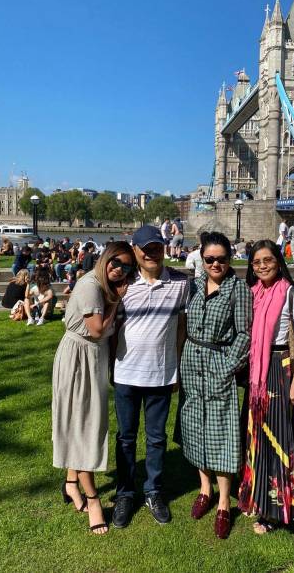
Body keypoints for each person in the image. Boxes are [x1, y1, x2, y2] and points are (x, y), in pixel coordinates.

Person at [52, 242, 135, 535]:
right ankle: (93, 499)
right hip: (79, 357)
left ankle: (71, 482)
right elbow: (98, 329)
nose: (119, 269)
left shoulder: (104, 286)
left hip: (93, 357)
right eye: (116, 262)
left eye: (126, 266)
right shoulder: (90, 286)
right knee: (84, 427)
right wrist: (116, 301)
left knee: (84, 422)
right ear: (105, 258)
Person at [111, 225, 189, 529]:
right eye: (144, 249)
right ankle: (125, 493)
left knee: (156, 439)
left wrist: (177, 365)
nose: (150, 253)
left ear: (164, 248)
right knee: (125, 438)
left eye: (156, 247)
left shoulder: (180, 283)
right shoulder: (124, 284)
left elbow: (181, 327)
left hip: (161, 374)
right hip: (126, 373)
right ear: (134, 251)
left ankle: (153, 491)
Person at [178, 232, 252, 540]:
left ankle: (223, 502)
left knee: (221, 429)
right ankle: (204, 489)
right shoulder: (194, 286)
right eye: (210, 259)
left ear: (230, 259)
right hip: (191, 363)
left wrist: (227, 367)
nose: (215, 264)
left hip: (219, 363)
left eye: (221, 259)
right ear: (202, 259)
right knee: (195, 425)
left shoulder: (238, 289)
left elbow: (245, 334)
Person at [238, 240, 294, 534]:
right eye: (256, 262)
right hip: (256, 371)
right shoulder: (252, 294)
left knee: (279, 438)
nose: (262, 266)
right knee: (255, 437)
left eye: (267, 260)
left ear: (278, 262)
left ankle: (275, 509)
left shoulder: (291, 294)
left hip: (280, 369)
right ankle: (255, 497)